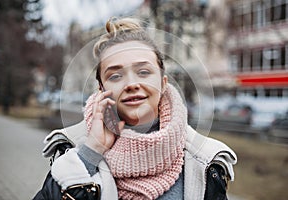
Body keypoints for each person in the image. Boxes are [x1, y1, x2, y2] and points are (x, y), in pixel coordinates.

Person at [33, 17, 237, 200]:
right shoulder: (74, 148)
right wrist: (92, 151)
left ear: (164, 83)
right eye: (115, 76)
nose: (131, 84)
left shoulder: (204, 161)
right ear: (102, 89)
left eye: (143, 72)